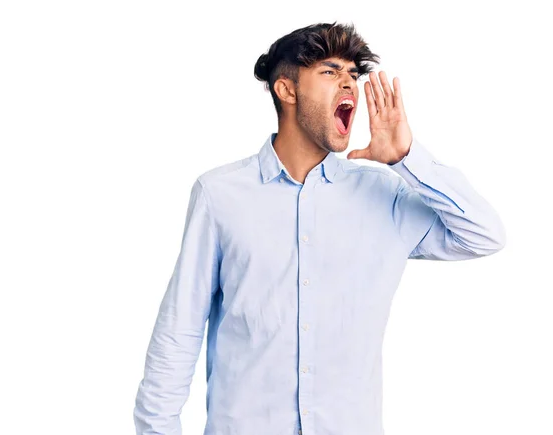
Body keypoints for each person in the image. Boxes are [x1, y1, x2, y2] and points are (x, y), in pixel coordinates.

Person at [133, 21, 506, 435]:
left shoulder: (385, 195)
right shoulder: (220, 195)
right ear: (287, 90)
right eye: (330, 72)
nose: (349, 85)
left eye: (353, 74)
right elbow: (178, 332)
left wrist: (406, 158)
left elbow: (483, 234)